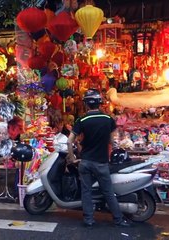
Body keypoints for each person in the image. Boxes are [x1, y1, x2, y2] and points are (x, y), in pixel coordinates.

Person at [66, 89, 131, 228]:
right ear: (99, 103)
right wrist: (115, 149)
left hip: (85, 162)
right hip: (101, 162)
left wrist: (72, 158)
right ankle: (118, 219)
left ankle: (89, 219)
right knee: (108, 191)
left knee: (86, 191)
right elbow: (113, 140)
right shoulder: (108, 119)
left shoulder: (82, 120)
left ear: (86, 104)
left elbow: (69, 141)